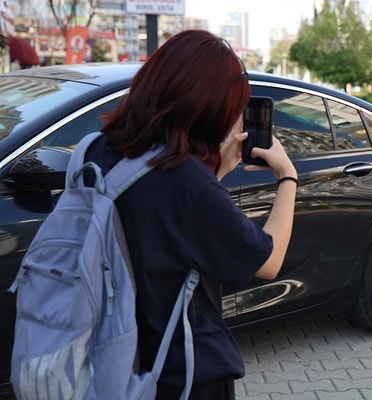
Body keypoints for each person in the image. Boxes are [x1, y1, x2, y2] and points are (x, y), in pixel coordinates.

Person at [85, 30, 297, 399]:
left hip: (114, 358)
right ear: (206, 106)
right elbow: (269, 259)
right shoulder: (186, 182)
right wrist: (288, 176)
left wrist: (212, 174)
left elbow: (159, 218)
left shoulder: (101, 149)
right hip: (183, 372)